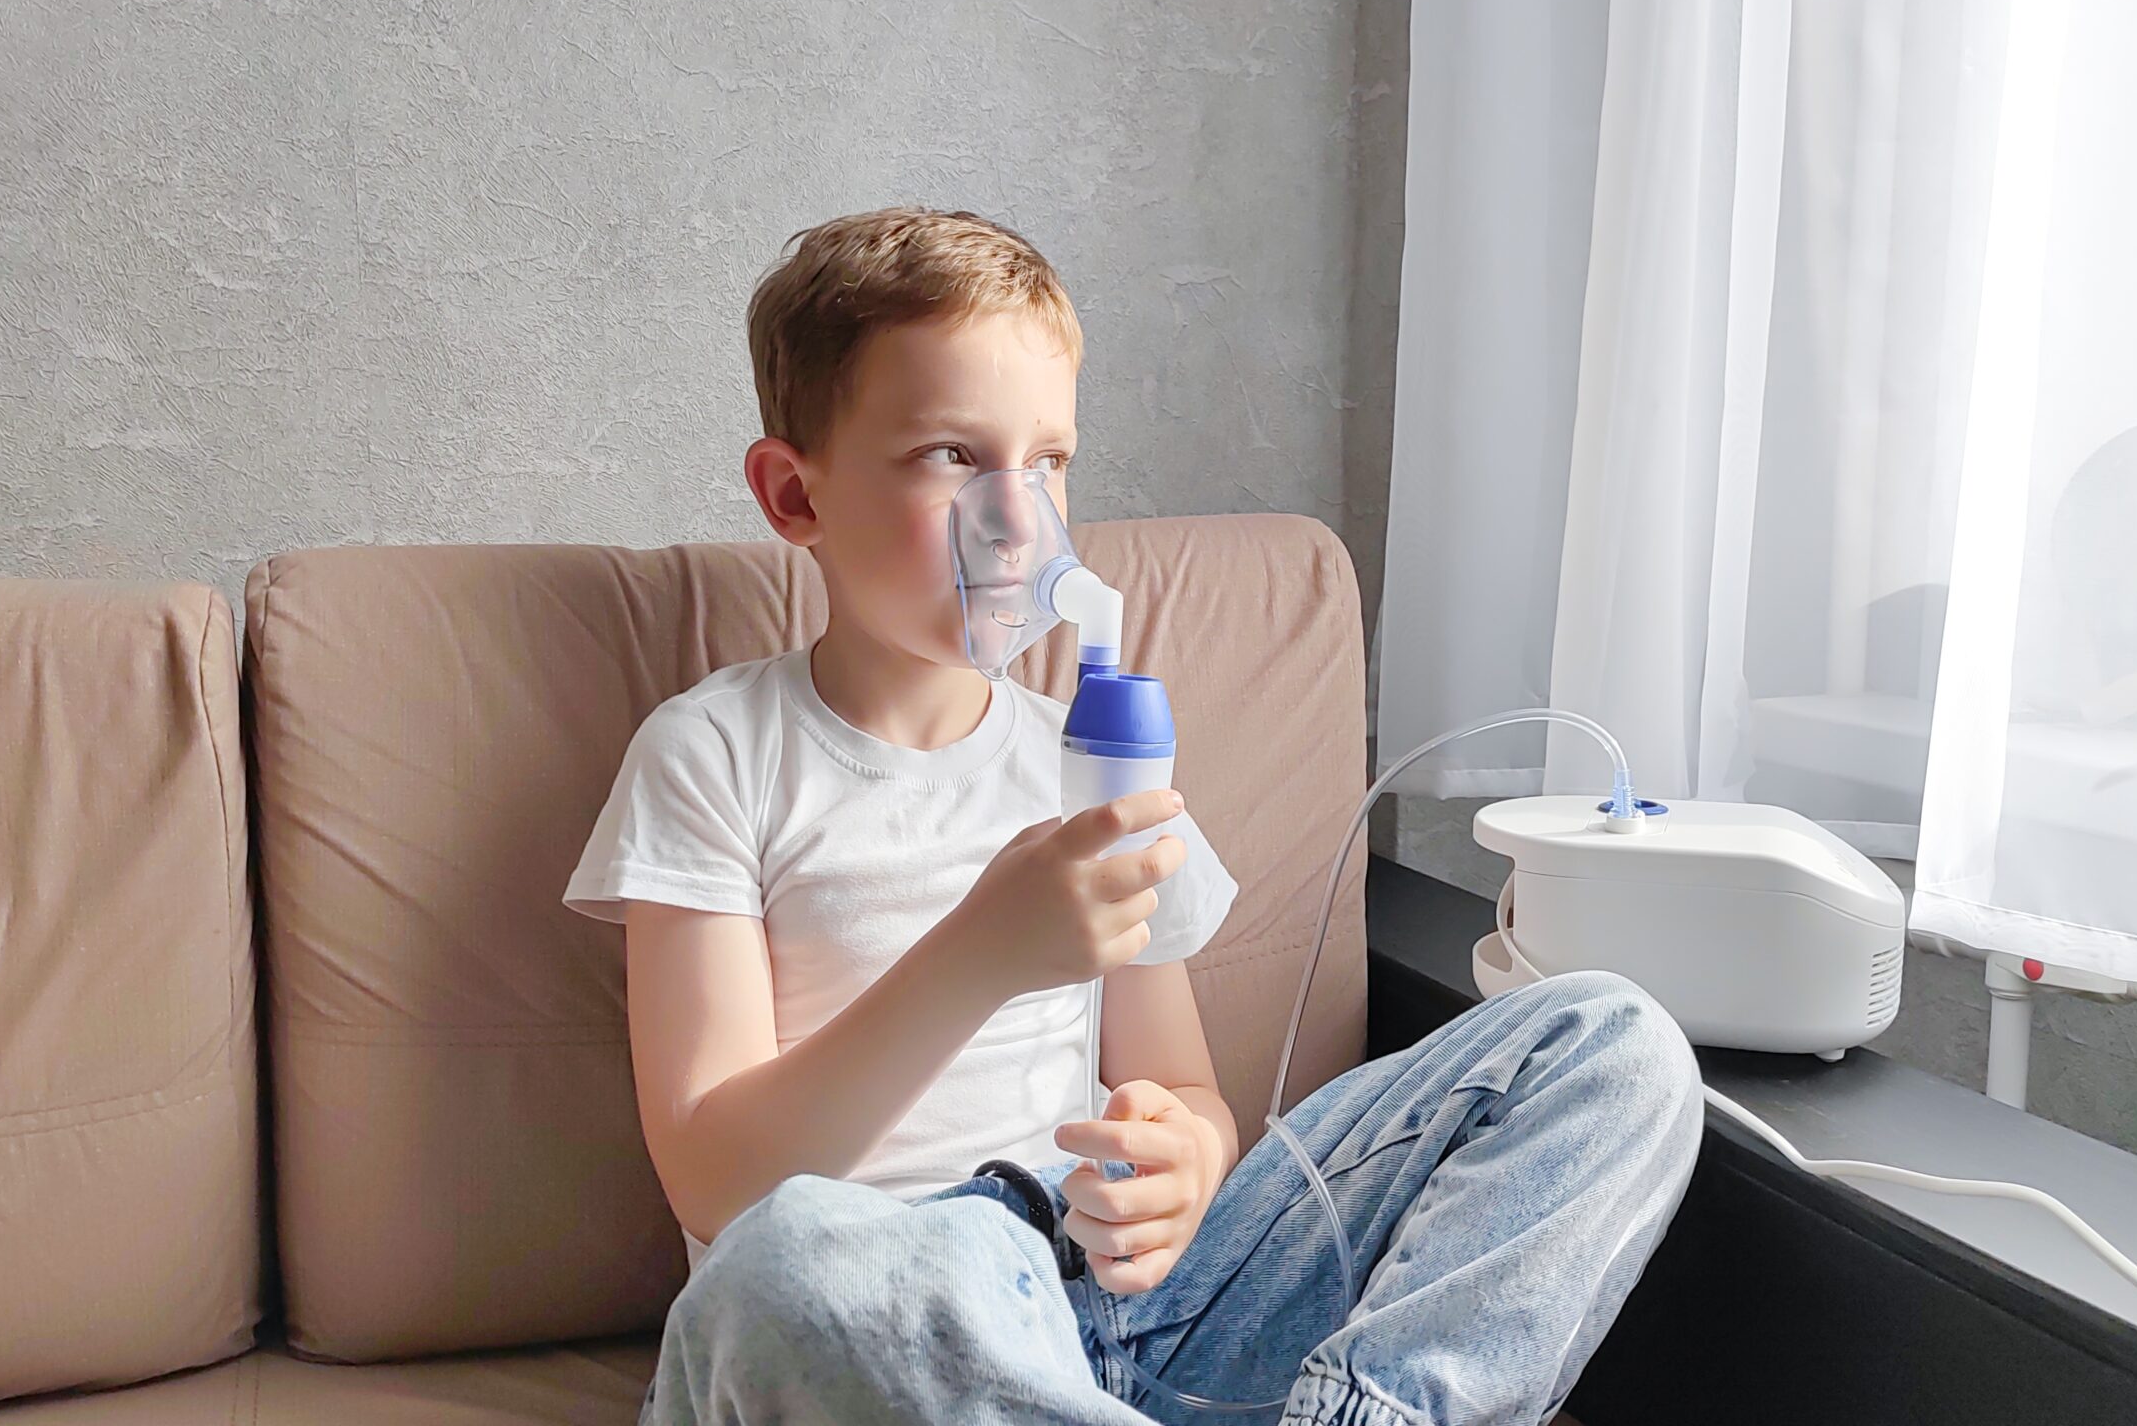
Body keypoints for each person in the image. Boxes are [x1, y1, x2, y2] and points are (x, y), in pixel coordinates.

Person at [565, 207, 1702, 1425]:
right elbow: (721, 1186)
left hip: (1139, 1307)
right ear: (795, 494)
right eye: (951, 456)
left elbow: (1184, 1093)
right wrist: (980, 954)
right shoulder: (715, 757)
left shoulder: (1089, 760)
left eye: (1047, 461)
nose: (1018, 521)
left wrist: (1187, 1161)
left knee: (1610, 1039)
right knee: (788, 1268)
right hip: (891, 1315)